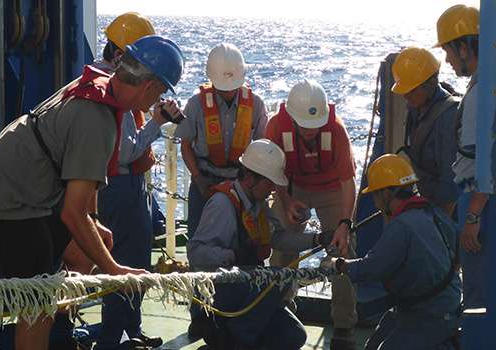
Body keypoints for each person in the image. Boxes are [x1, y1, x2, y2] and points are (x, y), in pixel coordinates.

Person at [0, 35, 185, 350]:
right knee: (36, 303)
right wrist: (115, 271)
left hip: (24, 186)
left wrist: (94, 220)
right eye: (161, 91)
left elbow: (84, 174)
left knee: (85, 251)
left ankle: (61, 334)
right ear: (149, 87)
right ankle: (46, 324)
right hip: (7, 201)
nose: (157, 101)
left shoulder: (103, 84)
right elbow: (71, 213)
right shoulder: (98, 121)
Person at [186, 139, 330, 350]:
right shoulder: (223, 204)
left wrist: (318, 239)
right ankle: (230, 339)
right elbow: (195, 252)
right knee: (277, 279)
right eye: (269, 183)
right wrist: (232, 256)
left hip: (249, 287)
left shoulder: (258, 204)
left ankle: (225, 340)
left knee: (293, 337)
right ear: (250, 178)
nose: (273, 190)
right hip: (220, 289)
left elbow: (278, 238)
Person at [322, 154, 461, 350]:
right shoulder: (432, 210)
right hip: (435, 306)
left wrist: (336, 264)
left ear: (386, 194)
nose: (376, 202)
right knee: (375, 343)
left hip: (428, 316)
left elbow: (372, 268)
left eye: (375, 195)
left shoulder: (401, 225)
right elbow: (458, 249)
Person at [92, 13, 173, 350]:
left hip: (120, 187)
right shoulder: (116, 88)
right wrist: (157, 122)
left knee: (134, 260)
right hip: (121, 188)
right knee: (129, 264)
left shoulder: (100, 78)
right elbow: (126, 151)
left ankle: (130, 331)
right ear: (123, 56)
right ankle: (112, 339)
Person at [265, 78, 357, 350]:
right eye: (304, 125)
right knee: (279, 243)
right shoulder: (275, 127)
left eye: (314, 126)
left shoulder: (337, 130)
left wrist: (344, 224)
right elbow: (273, 173)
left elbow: (347, 182)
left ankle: (344, 325)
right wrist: (286, 200)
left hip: (331, 190)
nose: (309, 131)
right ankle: (280, 309)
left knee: (344, 251)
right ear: (291, 118)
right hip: (291, 188)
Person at [174, 42, 268, 240]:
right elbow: (186, 146)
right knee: (198, 240)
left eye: (233, 87)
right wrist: (198, 177)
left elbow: (263, 149)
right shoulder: (196, 104)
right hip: (205, 181)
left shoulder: (256, 105)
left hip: (241, 183)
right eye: (223, 88)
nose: (229, 92)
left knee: (244, 242)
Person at [435, 4, 487, 309]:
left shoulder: (480, 94)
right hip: (476, 199)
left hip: (475, 198)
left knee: (478, 294)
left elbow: (484, 161)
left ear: (464, 48)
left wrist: (472, 216)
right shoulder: (482, 85)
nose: (448, 59)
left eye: (449, 51)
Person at [392, 46, 459, 216]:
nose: (406, 96)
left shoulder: (448, 116)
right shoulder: (416, 107)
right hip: (428, 200)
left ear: (431, 82)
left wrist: (439, 222)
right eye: (404, 91)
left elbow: (450, 175)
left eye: (412, 90)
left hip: (449, 210)